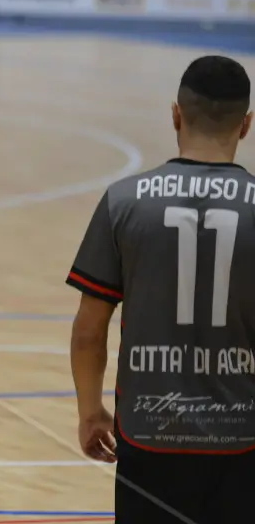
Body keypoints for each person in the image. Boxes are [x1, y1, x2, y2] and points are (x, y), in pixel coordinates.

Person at [67, 54, 255, 524]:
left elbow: (89, 331)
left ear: (175, 114)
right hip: (243, 438)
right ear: (246, 124)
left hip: (150, 432)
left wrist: (91, 412)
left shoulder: (123, 202)